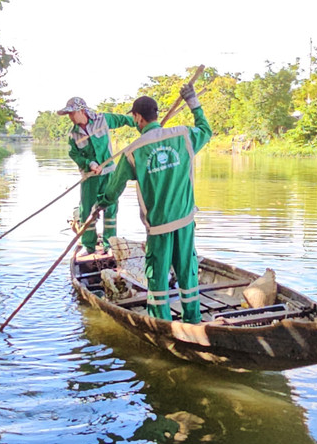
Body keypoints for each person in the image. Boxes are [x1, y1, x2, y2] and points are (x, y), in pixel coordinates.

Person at [94, 81, 212, 323]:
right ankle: (193, 320)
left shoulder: (133, 151)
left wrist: (101, 204)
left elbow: (113, 189)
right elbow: (205, 129)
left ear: (138, 118)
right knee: (187, 271)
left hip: (159, 227)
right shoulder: (183, 136)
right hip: (185, 221)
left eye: (134, 118)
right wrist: (193, 103)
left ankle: (162, 323)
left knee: (157, 276)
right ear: (156, 115)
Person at [57, 97, 135, 251]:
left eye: (72, 113)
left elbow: (125, 120)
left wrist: (145, 126)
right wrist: (89, 164)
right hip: (90, 178)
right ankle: (89, 246)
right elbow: (75, 154)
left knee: (111, 208)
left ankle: (109, 244)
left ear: (81, 111)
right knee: (87, 211)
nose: (71, 117)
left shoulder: (103, 120)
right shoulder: (74, 134)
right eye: (69, 115)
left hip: (109, 175)